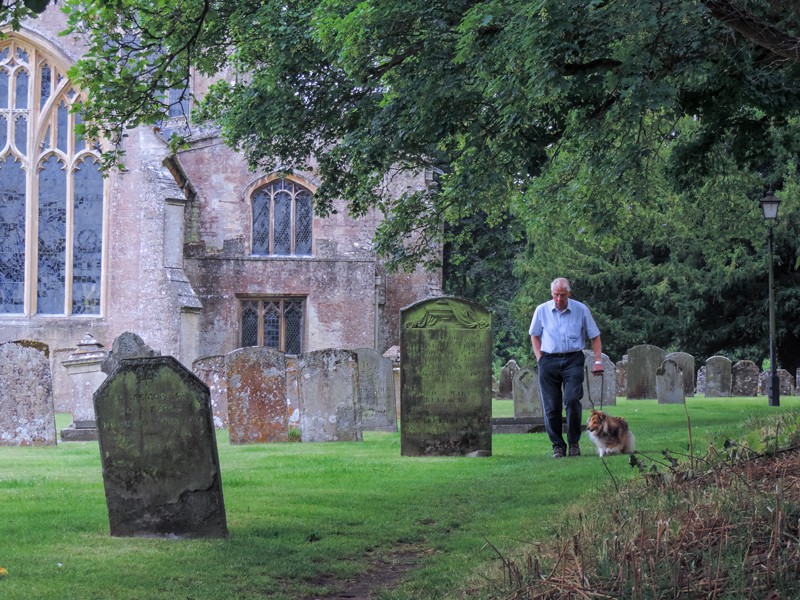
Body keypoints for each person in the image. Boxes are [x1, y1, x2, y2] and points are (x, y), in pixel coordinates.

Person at [529, 277, 603, 458]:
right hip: (549, 360)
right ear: (551, 294)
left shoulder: (580, 309)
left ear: (569, 293)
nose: (559, 299)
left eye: (562, 295)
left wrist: (598, 360)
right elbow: (534, 335)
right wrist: (540, 358)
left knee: (572, 400)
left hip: (573, 360)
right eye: (555, 295)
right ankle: (558, 446)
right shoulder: (542, 310)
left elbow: (595, 336)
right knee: (551, 407)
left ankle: (574, 443)